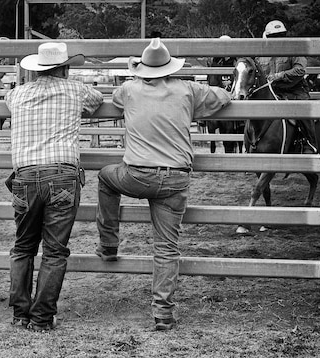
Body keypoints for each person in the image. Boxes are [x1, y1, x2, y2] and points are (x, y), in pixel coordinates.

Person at [95, 38, 231, 331]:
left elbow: (118, 99)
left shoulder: (129, 89)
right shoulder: (187, 89)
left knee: (106, 176)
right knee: (167, 248)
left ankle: (108, 244)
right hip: (175, 178)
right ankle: (163, 314)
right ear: (171, 68)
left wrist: (134, 71)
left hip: (137, 176)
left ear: (142, 68)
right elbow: (222, 96)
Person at [5, 42, 103, 332]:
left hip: (25, 177)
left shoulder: (17, 94)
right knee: (54, 250)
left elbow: (7, 100)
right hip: (61, 174)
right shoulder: (75, 90)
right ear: (66, 68)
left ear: (35, 70)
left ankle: (20, 313)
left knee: (23, 246)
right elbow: (96, 99)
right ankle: (42, 317)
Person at [258, 20, 317, 151]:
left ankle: (310, 144)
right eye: (274, 36)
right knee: (254, 111)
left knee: (304, 112)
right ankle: (252, 143)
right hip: (273, 93)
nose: (278, 39)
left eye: (280, 35)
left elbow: (300, 70)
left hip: (295, 91)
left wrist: (280, 75)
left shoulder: (294, 49)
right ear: (267, 37)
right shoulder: (261, 55)